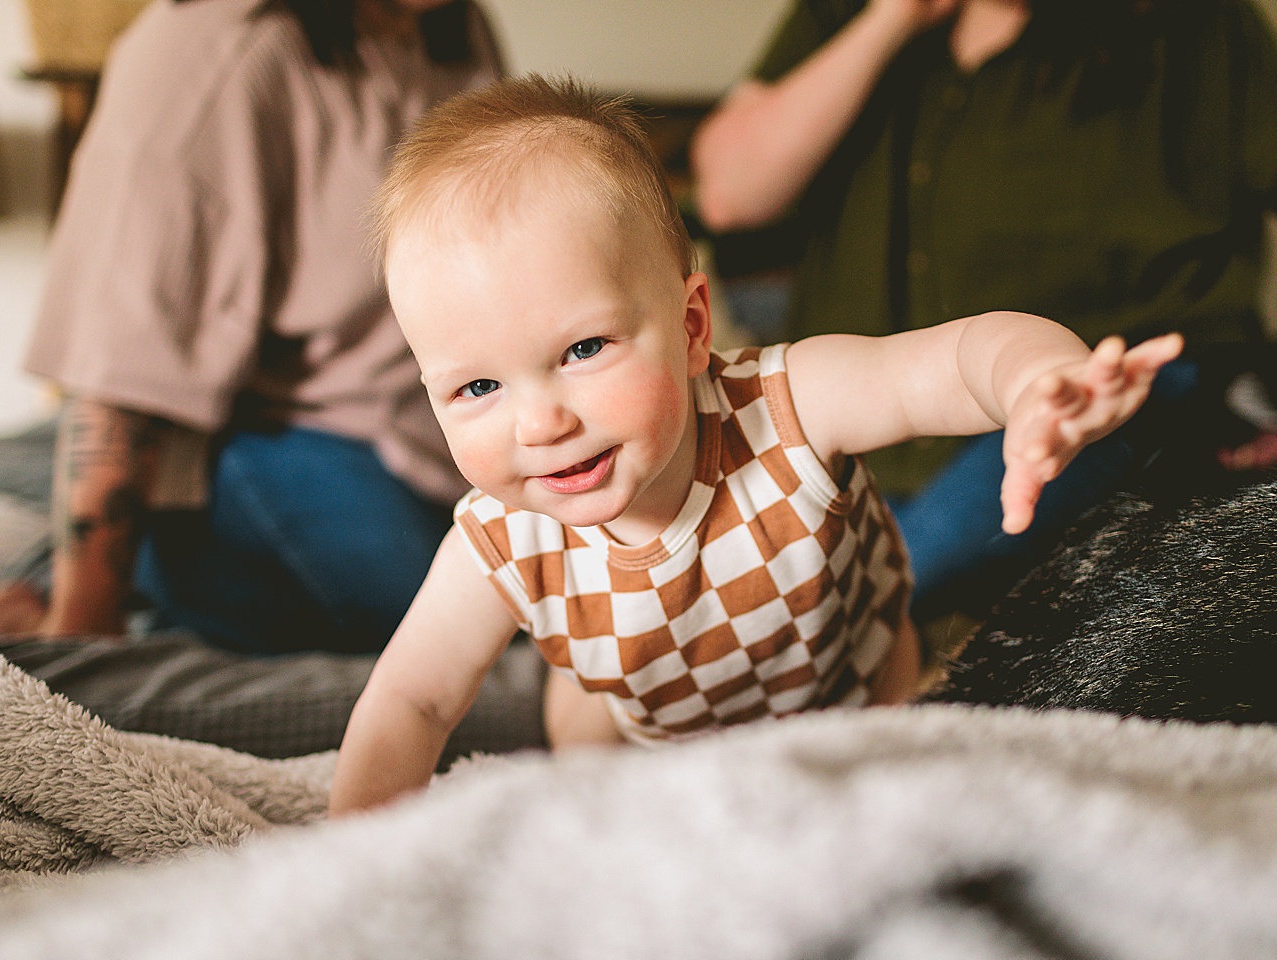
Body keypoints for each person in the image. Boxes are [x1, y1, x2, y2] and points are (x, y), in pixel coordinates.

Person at [326, 75, 1182, 815]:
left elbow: (950, 361)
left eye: (583, 351)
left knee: (892, 770)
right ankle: (596, 727)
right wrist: (353, 861)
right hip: (645, 725)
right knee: (588, 758)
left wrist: (1036, 383)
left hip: (849, 691)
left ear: (693, 327)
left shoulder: (787, 408)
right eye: (478, 388)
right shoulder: (501, 541)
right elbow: (411, 701)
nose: (540, 423)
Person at [689, 0, 1277, 618]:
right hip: (867, 432)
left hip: (1121, 391)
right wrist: (893, 16)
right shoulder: (842, 14)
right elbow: (729, 195)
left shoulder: (1196, 24)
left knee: (848, 596)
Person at [0, 0, 504, 654]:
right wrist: (82, 623)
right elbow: (123, 366)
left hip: (450, 442)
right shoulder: (214, 46)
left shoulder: (457, 29)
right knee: (490, 632)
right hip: (288, 443)